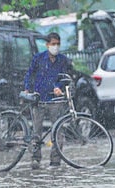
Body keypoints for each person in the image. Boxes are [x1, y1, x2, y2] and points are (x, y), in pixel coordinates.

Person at [24, 32, 72, 169]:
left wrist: (59, 87)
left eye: (57, 44)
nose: (55, 47)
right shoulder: (38, 58)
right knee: (36, 131)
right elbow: (30, 74)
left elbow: (64, 77)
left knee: (58, 131)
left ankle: (55, 161)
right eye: (53, 44)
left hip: (55, 100)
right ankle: (35, 158)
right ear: (47, 45)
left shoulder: (62, 60)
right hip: (39, 99)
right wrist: (27, 88)